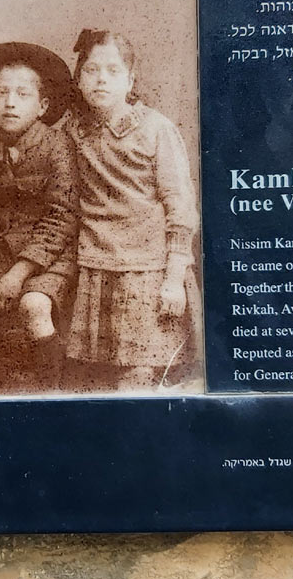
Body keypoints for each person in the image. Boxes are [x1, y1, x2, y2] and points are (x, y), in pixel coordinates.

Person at [64, 29, 199, 389]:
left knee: (137, 379)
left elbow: (181, 208)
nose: (101, 80)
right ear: (78, 79)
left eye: (113, 70)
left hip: (148, 272)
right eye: (91, 70)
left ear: (131, 79)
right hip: (95, 268)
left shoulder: (157, 129)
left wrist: (173, 280)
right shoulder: (74, 131)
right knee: (92, 379)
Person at [0, 41, 78, 389]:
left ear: (42, 106)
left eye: (22, 94)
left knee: (34, 306)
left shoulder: (57, 146)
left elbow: (61, 217)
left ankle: (53, 390)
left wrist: (19, 273)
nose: (10, 102)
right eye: (1, 93)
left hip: (48, 253)